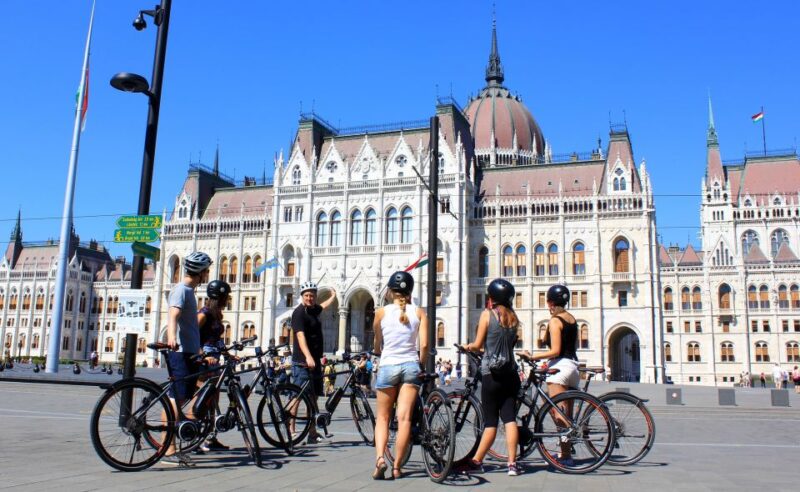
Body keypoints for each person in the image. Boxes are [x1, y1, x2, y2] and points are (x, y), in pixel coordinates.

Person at [460, 278, 522, 477]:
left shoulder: (487, 315)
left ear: (492, 297)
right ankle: (512, 464)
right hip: (510, 374)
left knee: (491, 422)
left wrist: (466, 347)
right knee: (510, 419)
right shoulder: (514, 318)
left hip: (491, 374)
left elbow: (478, 345)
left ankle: (477, 460)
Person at [372, 271, 428, 480]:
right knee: (404, 419)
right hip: (411, 366)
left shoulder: (380, 313)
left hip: (388, 366)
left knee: (383, 418)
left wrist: (378, 350)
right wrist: (420, 365)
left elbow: (377, 343)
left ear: (390, 291)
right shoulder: (420, 313)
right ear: (410, 291)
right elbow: (423, 344)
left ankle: (380, 459)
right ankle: (397, 467)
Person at [520, 284, 580, 467]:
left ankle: (565, 455)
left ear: (551, 302)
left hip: (560, 368)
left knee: (556, 413)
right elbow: (572, 347)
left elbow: (555, 350)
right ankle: (566, 452)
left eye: (548, 302)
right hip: (573, 367)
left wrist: (532, 356)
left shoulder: (555, 321)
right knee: (566, 414)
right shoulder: (572, 319)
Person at [163, 251, 213, 466]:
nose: (208, 275)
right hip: (180, 353)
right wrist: (172, 338)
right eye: (206, 271)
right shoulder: (181, 290)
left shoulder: (189, 292)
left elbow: (190, 326)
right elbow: (173, 315)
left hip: (190, 352)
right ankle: (169, 449)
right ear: (200, 272)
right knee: (176, 400)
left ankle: (176, 442)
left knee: (183, 397)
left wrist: (199, 350)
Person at [290, 281, 337, 444]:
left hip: (315, 361)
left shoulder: (313, 309)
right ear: (302, 297)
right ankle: (291, 430)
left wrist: (333, 296)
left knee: (313, 397)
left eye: (312, 295)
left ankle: (312, 432)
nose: (310, 298)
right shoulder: (298, 313)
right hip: (302, 361)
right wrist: (308, 356)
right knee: (297, 395)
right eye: (307, 295)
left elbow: (322, 306)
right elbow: (300, 336)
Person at [195, 279, 231, 454]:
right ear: (220, 298)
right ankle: (195, 438)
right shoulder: (205, 312)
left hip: (215, 359)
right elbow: (191, 333)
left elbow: (217, 339)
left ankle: (210, 437)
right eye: (226, 297)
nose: (228, 300)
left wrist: (227, 354)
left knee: (213, 400)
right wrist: (203, 354)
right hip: (205, 361)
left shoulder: (217, 315)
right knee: (203, 399)